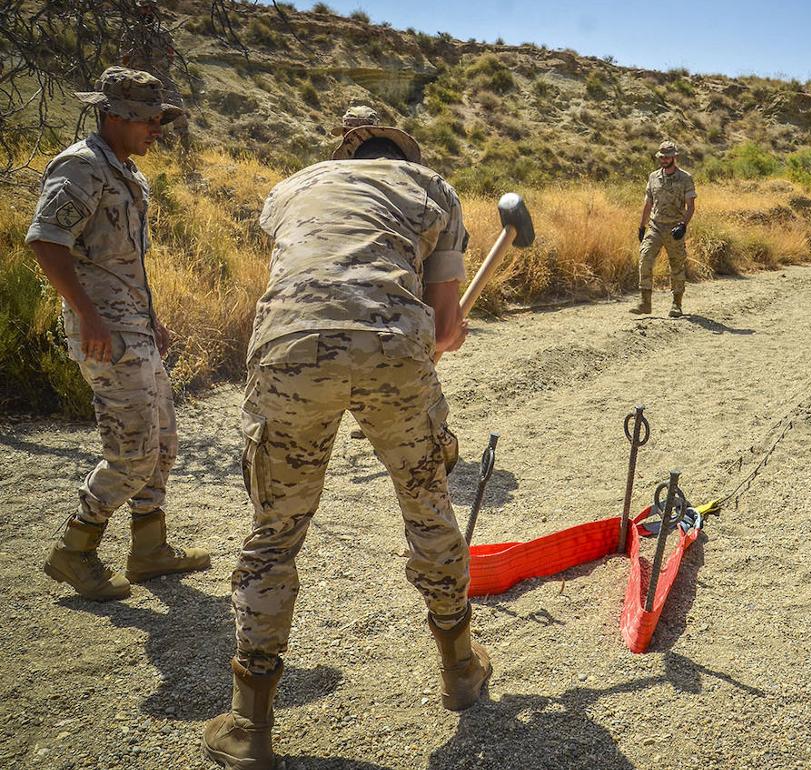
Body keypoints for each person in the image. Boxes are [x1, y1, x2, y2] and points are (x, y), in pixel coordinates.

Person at [202, 124, 490, 769]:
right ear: (403, 160)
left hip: (289, 349)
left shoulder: (292, 187)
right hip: (392, 345)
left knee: (274, 531)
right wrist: (443, 337)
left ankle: (250, 727)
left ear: (343, 158)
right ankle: (461, 669)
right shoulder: (432, 189)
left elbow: (305, 273)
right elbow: (444, 326)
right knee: (427, 506)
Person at [27, 67, 210, 603]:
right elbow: (45, 240)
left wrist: (148, 316)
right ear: (114, 116)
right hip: (105, 330)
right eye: (148, 120)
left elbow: (118, 260)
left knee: (163, 444)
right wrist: (89, 315)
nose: (157, 129)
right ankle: (75, 550)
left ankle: (149, 550)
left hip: (131, 325)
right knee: (131, 452)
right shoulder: (81, 167)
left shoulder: (126, 171)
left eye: (159, 119)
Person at [632, 140, 696, 318]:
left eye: (667, 157)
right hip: (655, 226)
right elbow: (648, 203)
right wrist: (641, 226)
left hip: (674, 227)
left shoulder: (685, 178)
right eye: (662, 157)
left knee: (676, 265)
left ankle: (677, 304)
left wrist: (683, 224)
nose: (664, 159)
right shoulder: (653, 177)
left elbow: (690, 206)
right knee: (645, 258)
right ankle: (645, 303)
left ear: (674, 157)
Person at [121, 0, 190, 150]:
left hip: (162, 79)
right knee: (142, 116)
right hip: (139, 81)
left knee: (178, 110)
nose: (148, 11)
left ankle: (186, 150)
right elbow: (124, 60)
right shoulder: (130, 33)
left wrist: (162, 67)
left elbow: (171, 54)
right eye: (145, 8)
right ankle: (145, 148)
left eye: (151, 8)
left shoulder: (163, 33)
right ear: (139, 10)